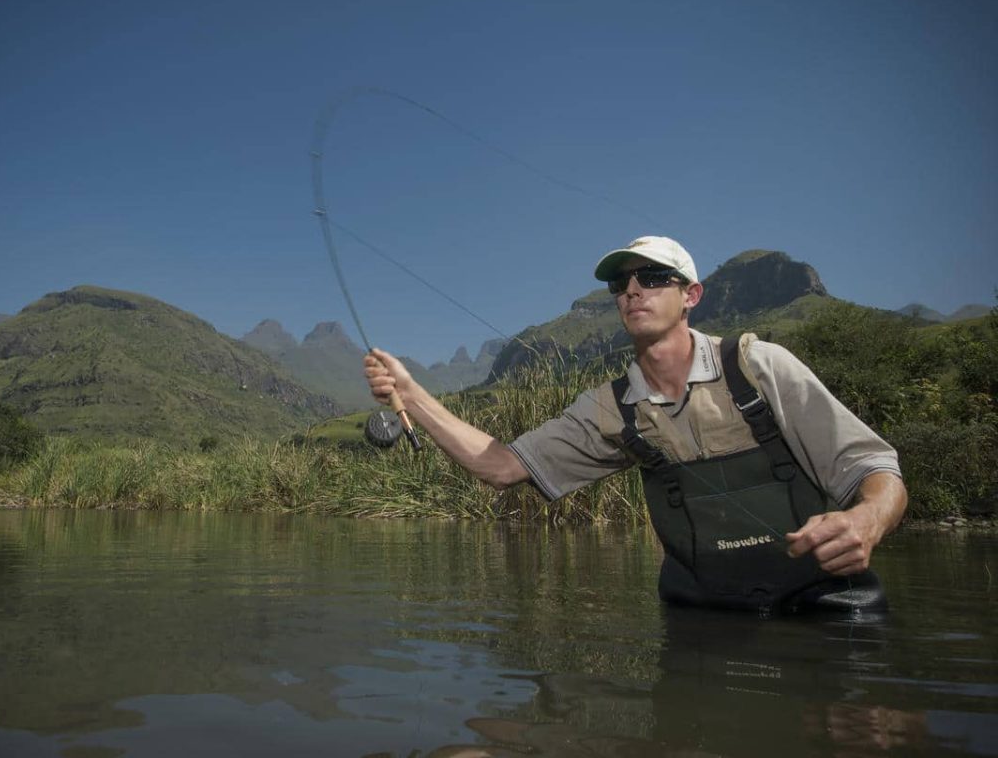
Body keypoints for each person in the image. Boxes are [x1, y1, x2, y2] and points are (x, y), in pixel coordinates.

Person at [364, 236, 907, 614]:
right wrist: (411, 392)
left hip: (829, 607)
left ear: (690, 295)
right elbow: (502, 466)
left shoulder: (760, 366)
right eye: (620, 284)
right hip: (701, 616)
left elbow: (877, 471)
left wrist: (867, 521)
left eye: (652, 278)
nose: (632, 290)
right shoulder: (610, 408)